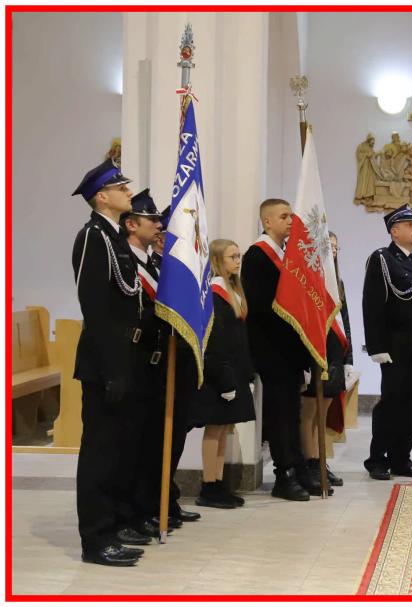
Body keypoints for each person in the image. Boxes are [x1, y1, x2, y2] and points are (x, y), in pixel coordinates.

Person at [70, 159, 146, 566]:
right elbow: (95, 307)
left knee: (119, 450)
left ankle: (113, 526)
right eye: (121, 187)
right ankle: (96, 539)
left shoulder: (114, 237)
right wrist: (112, 368)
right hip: (105, 362)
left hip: (124, 358)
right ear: (102, 196)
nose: (128, 191)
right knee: (100, 453)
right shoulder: (93, 237)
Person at [121, 189, 200, 538]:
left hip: (172, 362)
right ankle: (146, 506)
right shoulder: (135, 262)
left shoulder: (159, 266)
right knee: (144, 446)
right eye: (155, 223)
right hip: (148, 364)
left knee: (170, 437)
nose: (158, 229)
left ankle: (163, 500)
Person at [242, 199, 312, 500]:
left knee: (292, 413)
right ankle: (284, 475)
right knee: (279, 414)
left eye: (291, 216)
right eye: (284, 217)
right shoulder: (257, 256)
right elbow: (259, 306)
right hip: (271, 349)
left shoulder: (285, 255)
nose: (290, 221)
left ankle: (298, 467)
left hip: (288, 350)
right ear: (267, 221)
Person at [362, 205, 412, 480]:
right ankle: (377, 458)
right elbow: (372, 305)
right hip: (395, 346)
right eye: (409, 225)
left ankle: (401, 457)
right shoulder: (383, 259)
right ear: (394, 231)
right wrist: (376, 347)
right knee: (392, 404)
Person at [189, 239, 256, 508]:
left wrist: (246, 374)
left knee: (224, 428)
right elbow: (216, 340)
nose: (238, 261)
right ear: (218, 260)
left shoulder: (233, 290)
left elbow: (239, 339)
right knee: (214, 428)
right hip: (220, 372)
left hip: (234, 370)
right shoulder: (216, 292)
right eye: (232, 257)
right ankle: (209, 485)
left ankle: (218, 483)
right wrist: (225, 378)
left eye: (239, 256)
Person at [298, 231, 352, 492]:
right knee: (309, 413)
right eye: (328, 247)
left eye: (336, 247)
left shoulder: (336, 282)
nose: (333, 251)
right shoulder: (310, 281)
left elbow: (345, 323)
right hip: (315, 352)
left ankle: (320, 460)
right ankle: (310, 463)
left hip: (335, 355)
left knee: (323, 413)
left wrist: (348, 360)